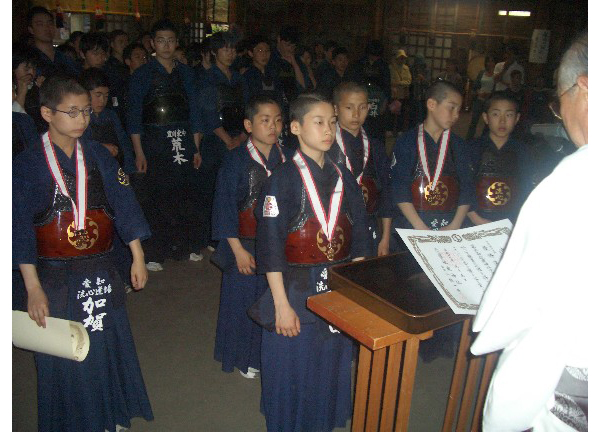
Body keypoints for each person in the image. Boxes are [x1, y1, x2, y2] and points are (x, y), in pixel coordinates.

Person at [13, 74, 153, 432]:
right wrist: (32, 287)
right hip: (54, 273)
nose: (81, 120)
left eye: (86, 112)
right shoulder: (27, 165)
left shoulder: (96, 155)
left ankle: (112, 412)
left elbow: (124, 203)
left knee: (106, 340)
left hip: (101, 265)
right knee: (67, 348)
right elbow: (18, 229)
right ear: (46, 112)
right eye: (71, 112)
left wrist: (136, 254)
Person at [471, 32, 588, 432]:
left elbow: (533, 324)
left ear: (584, 88)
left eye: (560, 101)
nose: (561, 113)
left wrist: (499, 417)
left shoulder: (575, 182)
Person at [250, 93, 369, 432]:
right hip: (294, 285)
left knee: (330, 360)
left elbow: (360, 236)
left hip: (336, 284)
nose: (328, 129)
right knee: (293, 364)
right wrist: (281, 306)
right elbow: (271, 249)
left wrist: (357, 292)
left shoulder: (343, 176)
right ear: (296, 128)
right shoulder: (281, 180)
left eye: (332, 122)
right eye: (319, 122)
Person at [389, 80, 475, 361]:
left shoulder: (459, 145)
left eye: (459, 110)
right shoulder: (406, 142)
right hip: (413, 229)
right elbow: (399, 188)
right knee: (411, 290)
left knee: (444, 289)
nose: (455, 115)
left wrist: (454, 226)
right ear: (431, 104)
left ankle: (437, 347)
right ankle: (407, 345)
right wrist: (420, 228)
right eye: (451, 107)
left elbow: (467, 189)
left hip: (449, 228)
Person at [212, 95, 291, 379]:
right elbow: (224, 205)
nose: (273, 126)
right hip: (245, 242)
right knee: (243, 301)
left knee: (271, 297)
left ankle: (269, 355)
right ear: (248, 124)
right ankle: (244, 357)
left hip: (278, 242)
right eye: (265, 120)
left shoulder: (288, 158)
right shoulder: (235, 161)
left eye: (278, 120)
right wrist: (236, 249)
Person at [126, 19, 203, 270]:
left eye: (171, 40)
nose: (166, 45)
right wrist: (139, 151)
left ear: (177, 43)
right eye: (161, 40)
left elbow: (195, 114)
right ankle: (155, 252)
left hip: (183, 137)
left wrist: (196, 147)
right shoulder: (142, 75)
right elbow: (134, 116)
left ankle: (185, 246)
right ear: (152, 43)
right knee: (156, 196)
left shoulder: (187, 73)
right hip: (154, 139)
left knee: (185, 195)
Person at [197, 31, 250, 251]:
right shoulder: (208, 78)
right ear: (215, 52)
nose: (229, 53)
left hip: (238, 136)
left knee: (238, 189)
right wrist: (227, 139)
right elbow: (208, 113)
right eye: (225, 49)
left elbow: (247, 108)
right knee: (215, 189)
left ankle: (235, 232)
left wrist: (242, 136)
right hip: (216, 140)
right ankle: (214, 237)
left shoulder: (238, 78)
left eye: (232, 49)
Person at [328, 82, 393, 257]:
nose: (356, 114)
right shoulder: (325, 145)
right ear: (335, 109)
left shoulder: (375, 146)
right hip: (335, 227)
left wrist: (385, 237)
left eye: (362, 107)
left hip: (369, 223)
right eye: (349, 107)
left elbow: (386, 193)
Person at [466, 92, 534, 226]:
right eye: (496, 114)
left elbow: (527, 189)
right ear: (486, 117)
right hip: (475, 219)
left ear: (517, 118)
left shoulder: (523, 151)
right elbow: (463, 186)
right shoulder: (471, 148)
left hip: (511, 220)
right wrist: (475, 218)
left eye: (508, 115)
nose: (502, 121)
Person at [347, 40, 391, 142]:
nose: (375, 58)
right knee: (363, 126)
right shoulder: (359, 64)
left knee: (377, 129)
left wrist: (386, 102)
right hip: (362, 99)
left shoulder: (383, 66)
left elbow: (387, 86)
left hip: (378, 101)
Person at [243, 35, 284, 106]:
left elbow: (280, 97)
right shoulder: (248, 76)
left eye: (267, 51)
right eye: (260, 50)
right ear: (250, 53)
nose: (264, 54)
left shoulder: (273, 73)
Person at [466, 55, 496, 141]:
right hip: (479, 99)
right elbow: (476, 86)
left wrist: (489, 94)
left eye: (492, 61)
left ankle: (484, 139)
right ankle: (468, 140)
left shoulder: (496, 74)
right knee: (474, 121)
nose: (490, 63)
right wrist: (478, 92)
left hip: (490, 100)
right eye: (488, 61)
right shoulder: (482, 73)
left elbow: (497, 88)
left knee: (488, 122)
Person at [104, 30, 130, 125]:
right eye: (120, 42)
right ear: (112, 44)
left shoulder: (128, 64)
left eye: (126, 41)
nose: (124, 44)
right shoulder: (108, 66)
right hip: (116, 108)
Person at [389, 49, 412, 133]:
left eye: (403, 58)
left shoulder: (406, 68)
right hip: (393, 94)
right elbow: (390, 80)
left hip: (403, 94)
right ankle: (390, 129)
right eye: (400, 58)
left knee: (401, 113)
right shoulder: (391, 68)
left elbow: (408, 81)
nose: (402, 60)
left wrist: (398, 83)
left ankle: (399, 130)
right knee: (391, 112)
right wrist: (400, 83)